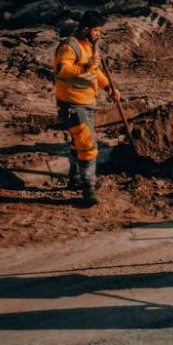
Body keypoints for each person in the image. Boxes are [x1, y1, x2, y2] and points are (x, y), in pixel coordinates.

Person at [53, 10, 120, 207]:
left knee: (77, 143)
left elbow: (95, 72)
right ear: (85, 29)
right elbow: (61, 70)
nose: (98, 33)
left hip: (87, 102)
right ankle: (88, 188)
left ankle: (74, 178)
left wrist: (109, 86)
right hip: (72, 104)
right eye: (96, 30)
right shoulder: (69, 46)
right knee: (88, 145)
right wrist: (86, 66)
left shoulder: (89, 45)